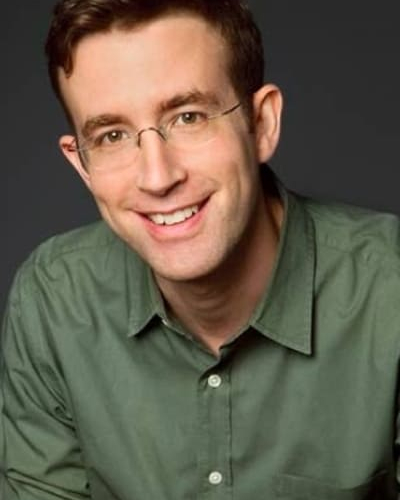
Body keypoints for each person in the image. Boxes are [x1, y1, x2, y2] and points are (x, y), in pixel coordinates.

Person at [1, 0, 399, 498]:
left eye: (188, 117)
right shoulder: (55, 300)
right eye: (112, 135)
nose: (157, 177)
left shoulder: (390, 293)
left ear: (262, 123)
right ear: (81, 163)